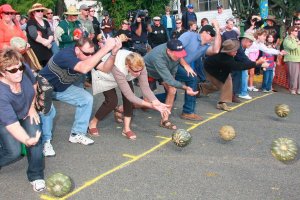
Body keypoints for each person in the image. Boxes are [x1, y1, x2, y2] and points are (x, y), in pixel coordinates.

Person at [38, 37, 121, 156]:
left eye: (92, 53)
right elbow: (84, 68)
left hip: (61, 88)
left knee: (86, 99)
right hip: (43, 86)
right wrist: (106, 47)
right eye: (87, 53)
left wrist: (113, 53)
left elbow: (105, 69)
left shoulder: (86, 56)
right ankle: (45, 142)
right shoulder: (65, 54)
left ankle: (77, 134)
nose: (90, 56)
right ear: (77, 50)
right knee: (48, 111)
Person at [89, 51, 170, 139]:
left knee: (128, 100)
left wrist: (156, 102)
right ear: (127, 66)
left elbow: (145, 88)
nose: (138, 74)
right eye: (136, 71)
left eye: (140, 70)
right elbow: (130, 96)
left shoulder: (139, 65)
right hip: (105, 74)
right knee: (112, 101)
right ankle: (93, 123)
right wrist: (151, 105)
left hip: (125, 74)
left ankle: (126, 128)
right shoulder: (118, 67)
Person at [0, 48, 45, 192]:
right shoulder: (1, 93)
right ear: (2, 73)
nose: (19, 71)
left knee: (36, 140)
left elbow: (34, 85)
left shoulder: (23, 68)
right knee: (13, 152)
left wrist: (31, 107)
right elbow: (12, 125)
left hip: (25, 111)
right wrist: (25, 140)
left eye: (20, 67)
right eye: (13, 70)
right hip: (4, 120)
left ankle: (36, 176)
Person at [144, 39, 198, 129]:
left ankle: (165, 120)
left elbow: (173, 68)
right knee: (145, 103)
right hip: (148, 71)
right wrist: (186, 88)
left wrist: (185, 65)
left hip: (164, 69)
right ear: (168, 51)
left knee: (172, 90)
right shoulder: (158, 57)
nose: (178, 57)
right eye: (177, 55)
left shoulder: (173, 49)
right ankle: (123, 107)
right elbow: (169, 80)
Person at [202, 39, 269, 111]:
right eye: (234, 50)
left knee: (226, 83)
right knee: (221, 85)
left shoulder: (232, 53)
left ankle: (205, 91)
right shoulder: (225, 59)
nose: (236, 51)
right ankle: (204, 90)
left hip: (221, 69)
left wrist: (258, 64)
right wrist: (257, 63)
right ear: (228, 51)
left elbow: (244, 60)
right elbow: (239, 66)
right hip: (210, 69)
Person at [177, 22, 221, 120]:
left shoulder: (205, 47)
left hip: (179, 67)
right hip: (172, 63)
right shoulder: (189, 35)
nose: (213, 38)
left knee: (172, 94)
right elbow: (176, 48)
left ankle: (144, 102)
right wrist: (185, 65)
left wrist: (218, 30)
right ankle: (188, 112)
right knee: (193, 79)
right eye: (212, 35)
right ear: (204, 32)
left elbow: (216, 50)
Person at [283, 26, 300, 95]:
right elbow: (292, 47)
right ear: (291, 31)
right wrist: (298, 43)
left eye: (297, 31)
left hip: (298, 59)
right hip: (291, 59)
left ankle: (298, 89)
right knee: (293, 75)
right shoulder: (287, 39)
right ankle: (293, 89)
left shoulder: (296, 39)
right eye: (296, 30)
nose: (297, 32)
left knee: (299, 75)